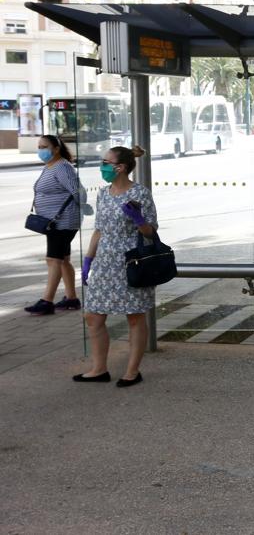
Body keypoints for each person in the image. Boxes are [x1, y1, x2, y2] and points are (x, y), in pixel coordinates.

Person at [74, 146, 157, 388]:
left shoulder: (140, 193)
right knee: (93, 316)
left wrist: (139, 219)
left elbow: (151, 232)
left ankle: (132, 371)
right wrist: (89, 259)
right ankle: (99, 369)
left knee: (134, 316)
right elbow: (98, 229)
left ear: (120, 167)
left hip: (132, 261)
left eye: (105, 162)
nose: (102, 166)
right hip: (104, 263)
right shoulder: (103, 193)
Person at [24, 134, 82, 315]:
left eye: (44, 147)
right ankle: (72, 299)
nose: (40, 150)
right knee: (63, 260)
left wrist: (75, 210)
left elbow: (79, 192)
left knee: (53, 259)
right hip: (54, 222)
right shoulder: (51, 166)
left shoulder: (62, 167)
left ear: (56, 149)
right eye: (39, 146)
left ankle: (46, 301)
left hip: (62, 222)